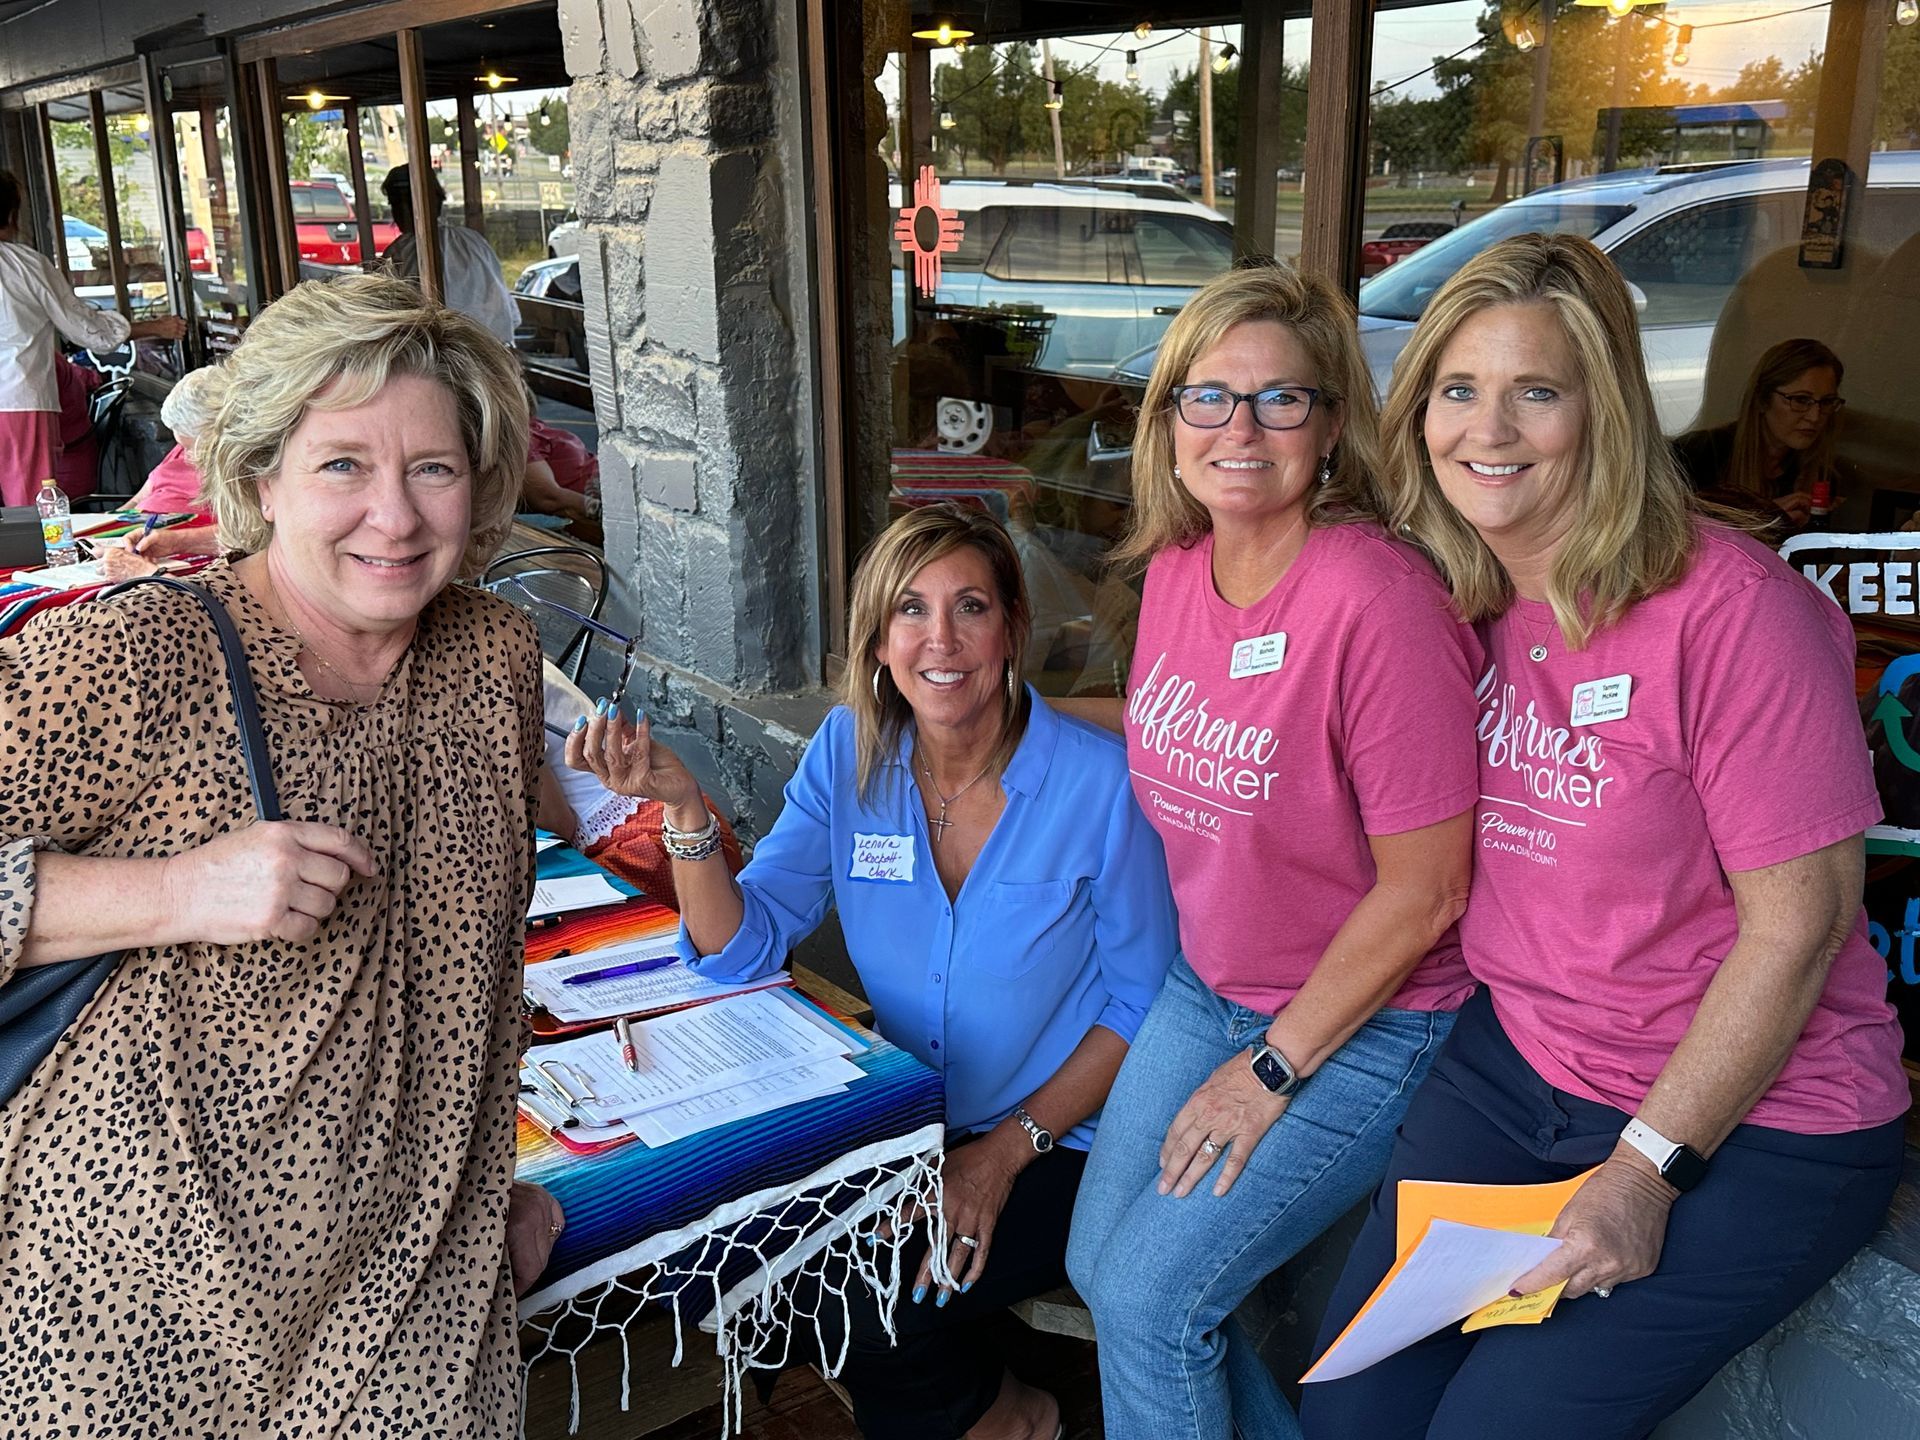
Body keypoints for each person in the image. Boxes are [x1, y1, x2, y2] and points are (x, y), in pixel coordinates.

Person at [1299, 234, 1907, 1440]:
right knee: (1349, 1413)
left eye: (1537, 391)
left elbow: (1803, 928)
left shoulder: (1738, 617)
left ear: (1606, 410)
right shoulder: (1464, 593)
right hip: (1521, 1065)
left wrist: (1643, 1172)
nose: (1490, 429)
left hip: (1758, 1120)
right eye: (1457, 391)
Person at [0, 271, 565, 1435]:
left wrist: (481, 1177)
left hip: (413, 1311)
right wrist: (171, 892)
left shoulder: (495, 657)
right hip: (132, 1324)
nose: (397, 517)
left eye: (434, 468)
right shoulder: (142, 656)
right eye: (343, 464)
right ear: (263, 476)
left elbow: (470, 973)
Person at [564, 501, 1178, 1440]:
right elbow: (743, 946)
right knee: (718, 1256)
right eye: (911, 611)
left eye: (970, 607)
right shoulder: (850, 753)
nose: (942, 639)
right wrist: (685, 807)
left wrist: (1001, 1154)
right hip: (905, 1114)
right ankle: (996, 1407)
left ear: (1012, 627)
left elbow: (1145, 1004)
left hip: (1069, 1139)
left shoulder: (1099, 787)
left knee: (859, 1304)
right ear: (879, 640)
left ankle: (1003, 1415)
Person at [1059, 261, 1481, 1440]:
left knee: (1148, 1303)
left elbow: (1430, 886)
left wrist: (1271, 1071)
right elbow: (1171, 730)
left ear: (1332, 425)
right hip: (1212, 989)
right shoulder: (1181, 571)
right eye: (1209, 397)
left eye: (1281, 400)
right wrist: (993, 716)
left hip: (1364, 1022)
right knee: (1108, 1274)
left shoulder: (1375, 600)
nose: (1240, 429)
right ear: (1169, 420)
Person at [0, 169, 185, 504]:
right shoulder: (25, 266)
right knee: (31, 512)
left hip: (19, 399)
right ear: (12, 214)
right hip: (19, 399)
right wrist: (152, 327)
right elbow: (88, 331)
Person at [1673, 337, 1854, 533]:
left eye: (1827, 402)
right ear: (1762, 400)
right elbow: (1670, 531)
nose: (1815, 416)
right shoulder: (1699, 453)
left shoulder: (1822, 477)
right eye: (1801, 400)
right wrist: (1763, 516)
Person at [100, 364, 227, 582]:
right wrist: (105, 528)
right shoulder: (183, 449)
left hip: (178, 569)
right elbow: (138, 498)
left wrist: (148, 573)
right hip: (141, 541)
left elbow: (252, 537)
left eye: (190, 447)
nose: (185, 456)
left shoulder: (240, 471)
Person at [379, 164, 520, 349]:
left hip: (441, 362)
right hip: (492, 353)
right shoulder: (474, 242)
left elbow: (385, 321)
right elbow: (508, 314)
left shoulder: (400, 252)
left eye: (397, 204)